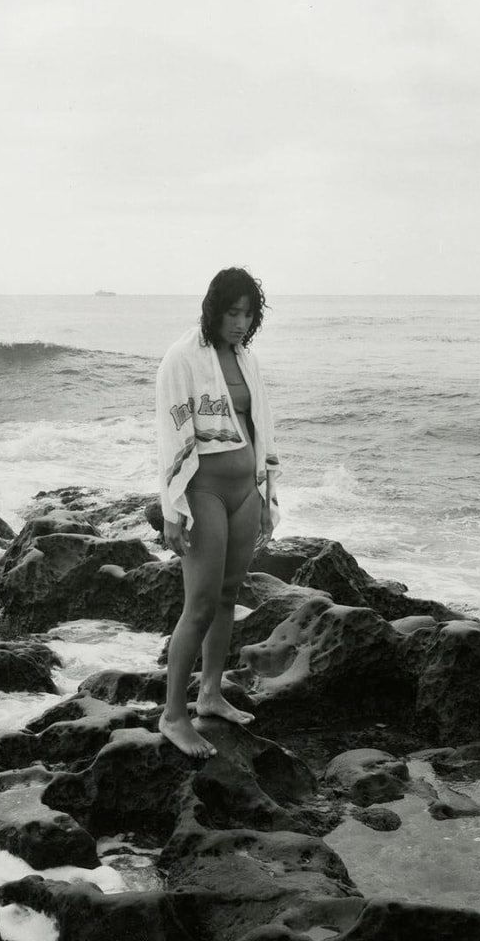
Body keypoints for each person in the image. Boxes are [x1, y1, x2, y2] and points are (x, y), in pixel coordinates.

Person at [155, 267, 280, 757]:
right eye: (233, 312)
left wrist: (267, 496)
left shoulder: (245, 357)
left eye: (249, 314)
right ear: (214, 309)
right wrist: (172, 510)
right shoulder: (183, 358)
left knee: (229, 596)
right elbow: (170, 436)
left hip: (244, 490)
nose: (241, 323)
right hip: (204, 490)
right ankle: (172, 715)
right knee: (200, 604)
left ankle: (209, 694)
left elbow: (258, 427)